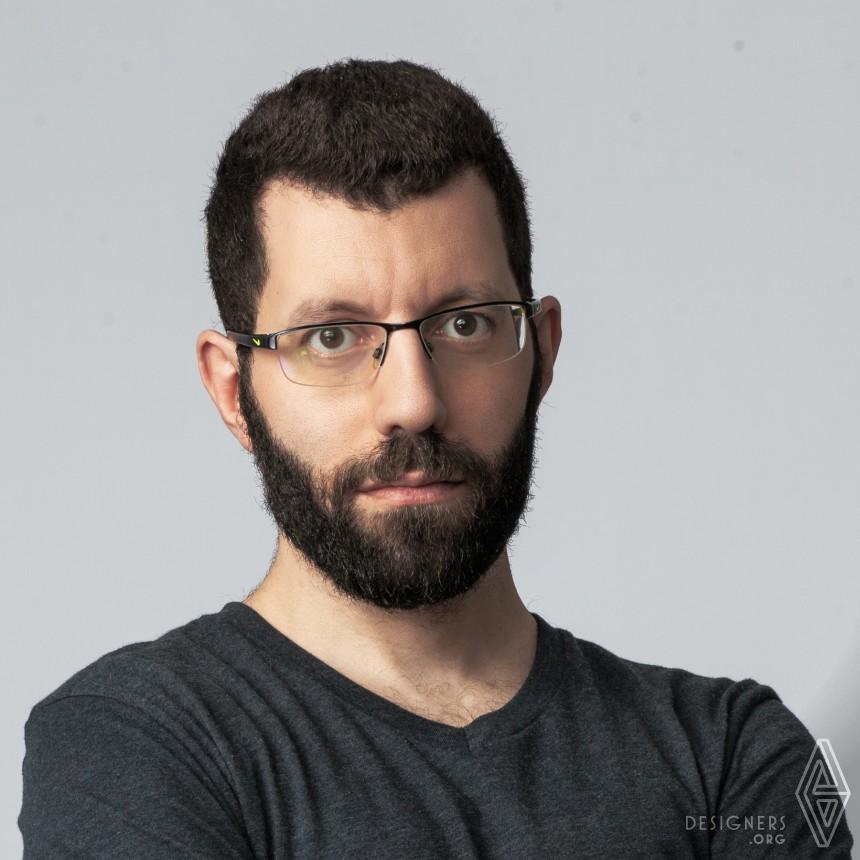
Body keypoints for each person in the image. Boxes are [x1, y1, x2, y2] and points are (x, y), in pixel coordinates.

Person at [19, 58, 853, 858]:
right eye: (332, 337)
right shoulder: (131, 745)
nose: (413, 401)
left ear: (542, 351)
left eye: (464, 324)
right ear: (233, 389)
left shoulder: (729, 756)